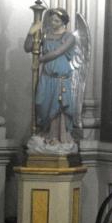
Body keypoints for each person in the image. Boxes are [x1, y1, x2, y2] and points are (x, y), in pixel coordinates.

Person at [24, 8, 80, 146]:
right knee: (41, 104)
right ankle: (45, 133)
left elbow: (57, 52)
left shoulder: (69, 37)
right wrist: (31, 32)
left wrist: (40, 60)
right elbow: (28, 47)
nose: (53, 23)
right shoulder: (45, 35)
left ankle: (56, 137)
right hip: (46, 77)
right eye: (52, 20)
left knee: (57, 108)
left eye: (57, 20)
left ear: (63, 22)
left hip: (60, 79)